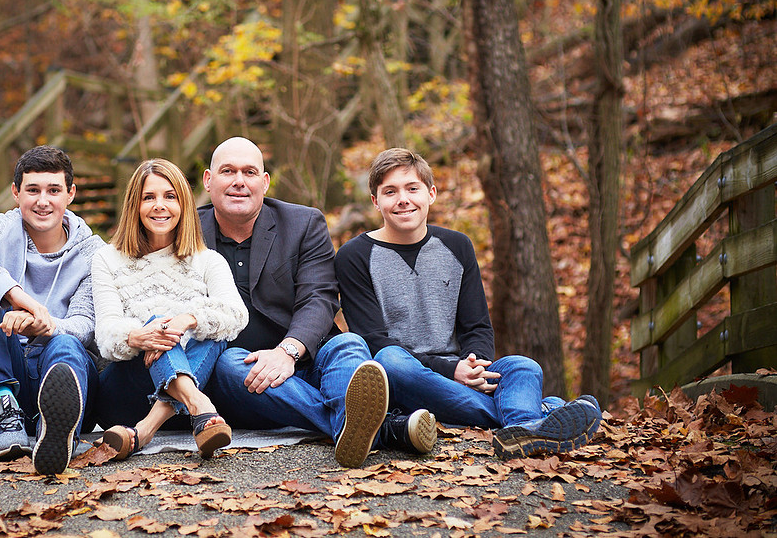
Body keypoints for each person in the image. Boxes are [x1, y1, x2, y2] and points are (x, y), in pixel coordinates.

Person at [335, 148, 603, 459]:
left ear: (431, 193)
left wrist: (476, 366)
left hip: (460, 374)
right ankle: (538, 414)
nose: (403, 199)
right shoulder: (354, 256)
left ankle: (525, 431)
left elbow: (477, 326)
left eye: (412, 188)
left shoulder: (457, 246)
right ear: (375, 201)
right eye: (390, 192)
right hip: (405, 378)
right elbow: (374, 341)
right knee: (391, 359)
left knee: (522, 366)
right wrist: (453, 371)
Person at [199, 137, 437, 469]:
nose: (240, 181)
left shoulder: (303, 223)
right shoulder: (187, 232)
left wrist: (288, 351)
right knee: (228, 363)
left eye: (249, 172)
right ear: (208, 181)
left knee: (349, 343)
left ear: (264, 182)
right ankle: (384, 428)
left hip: (307, 360)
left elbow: (319, 296)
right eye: (228, 171)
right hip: (247, 378)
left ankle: (353, 424)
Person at [0, 145, 104, 474]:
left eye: (54, 190)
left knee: (67, 343)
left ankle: (56, 430)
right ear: (16, 193)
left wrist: (43, 325)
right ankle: (5, 409)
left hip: (58, 372)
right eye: (33, 190)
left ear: (70, 194)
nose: (43, 201)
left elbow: (85, 324)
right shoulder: (1, 229)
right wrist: (14, 295)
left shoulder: (94, 253)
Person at [92, 159, 249, 459]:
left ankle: (146, 431)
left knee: (213, 330)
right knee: (157, 323)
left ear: (184, 204)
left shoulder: (208, 260)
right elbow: (105, 333)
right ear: (134, 205)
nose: (159, 206)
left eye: (169, 196)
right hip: (127, 392)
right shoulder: (107, 259)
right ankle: (198, 405)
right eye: (149, 197)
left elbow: (237, 314)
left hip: (188, 385)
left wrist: (187, 320)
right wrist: (139, 336)